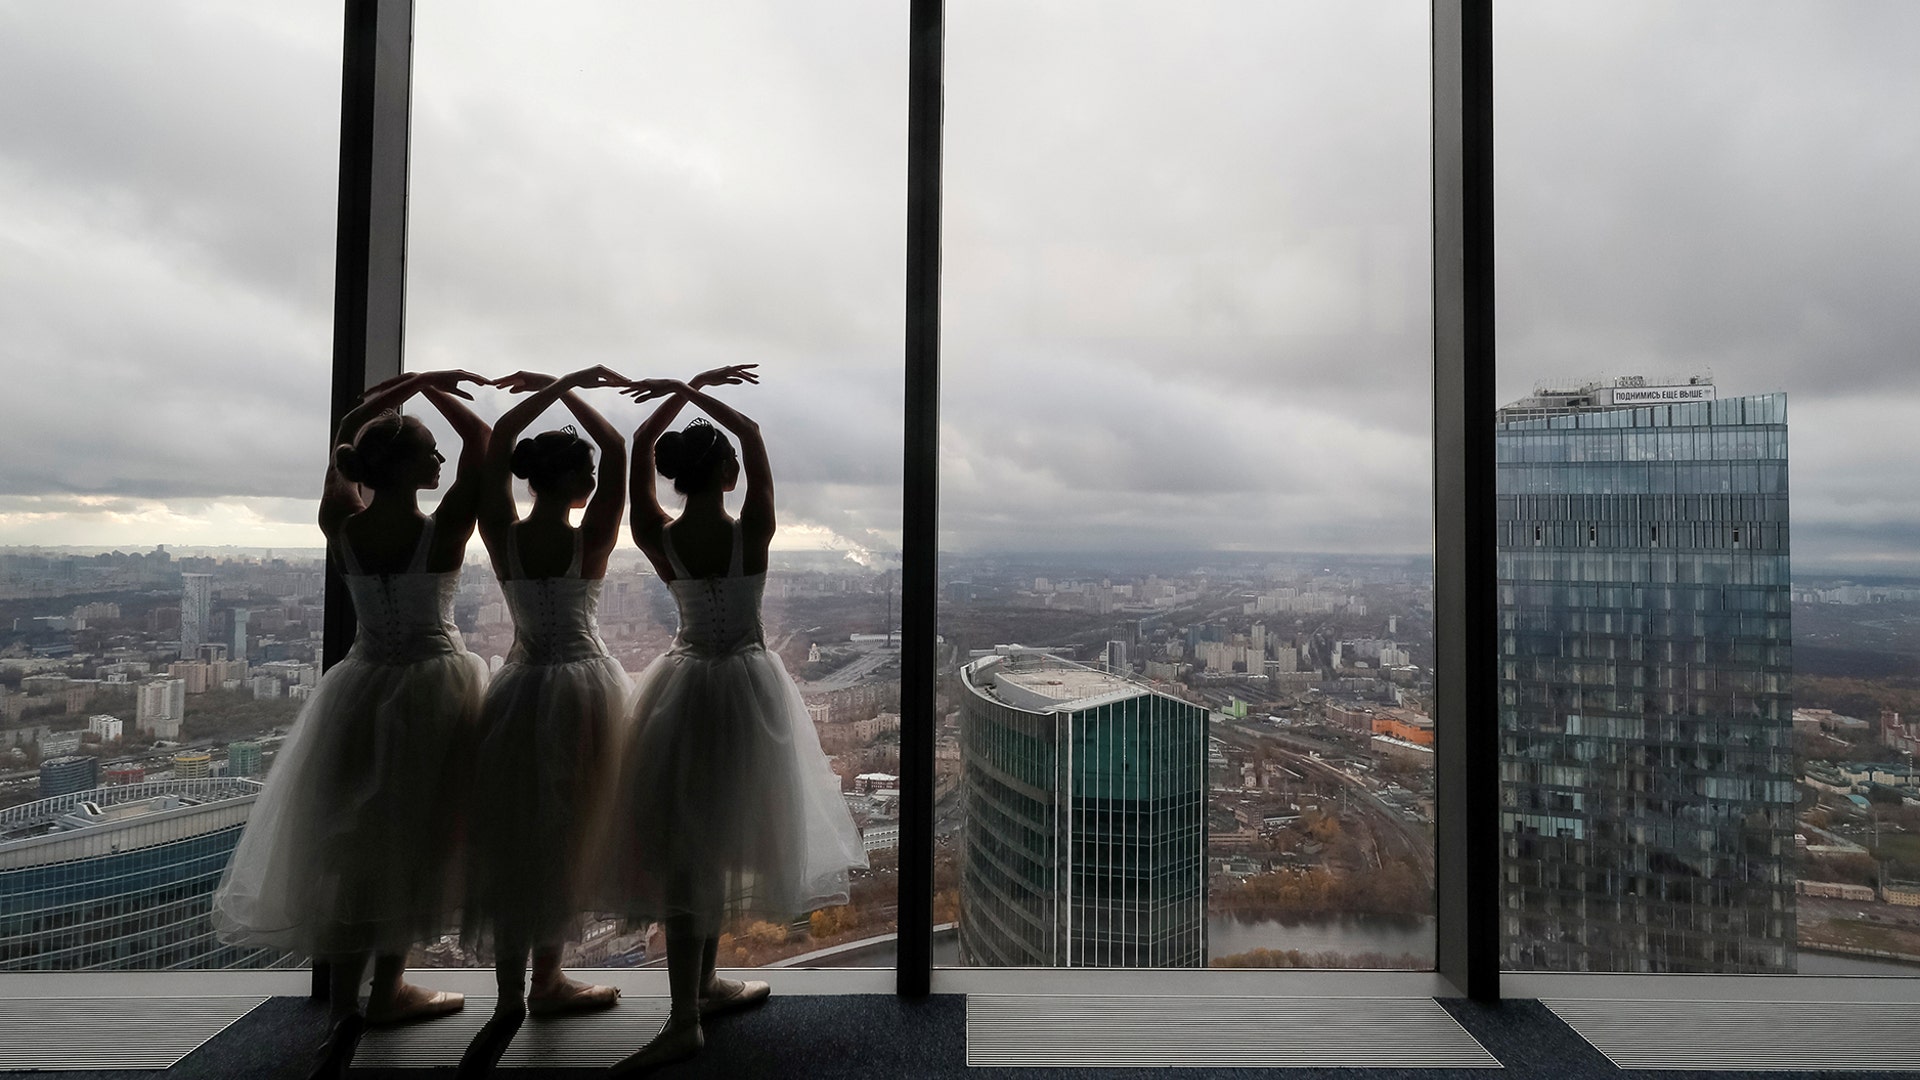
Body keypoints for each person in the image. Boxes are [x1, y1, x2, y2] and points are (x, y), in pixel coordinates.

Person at [212, 369, 492, 1079]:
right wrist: (431, 388)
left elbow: (342, 453)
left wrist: (377, 409)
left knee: (350, 840)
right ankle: (390, 988)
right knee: (415, 837)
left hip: (361, 686)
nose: (439, 462)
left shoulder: (343, 527)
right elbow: (484, 442)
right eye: (429, 453)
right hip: (434, 688)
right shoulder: (445, 531)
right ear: (403, 467)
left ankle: (344, 1008)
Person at [604, 366, 868, 1074]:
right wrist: (700, 391)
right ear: (725, 478)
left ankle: (700, 993)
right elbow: (752, 435)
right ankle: (687, 1012)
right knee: (715, 847)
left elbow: (639, 465)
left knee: (691, 847)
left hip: (684, 688)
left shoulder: (660, 537)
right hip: (749, 692)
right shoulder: (752, 531)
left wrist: (670, 403)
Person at [457, 366, 634, 1077]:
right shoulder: (590, 539)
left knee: (514, 836)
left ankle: (508, 998)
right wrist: (571, 390)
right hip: (584, 690)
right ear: (582, 488)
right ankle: (550, 982)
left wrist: (542, 396)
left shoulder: (500, 535)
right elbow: (620, 449)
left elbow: (496, 442)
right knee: (568, 833)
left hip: (520, 686)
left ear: (531, 482)